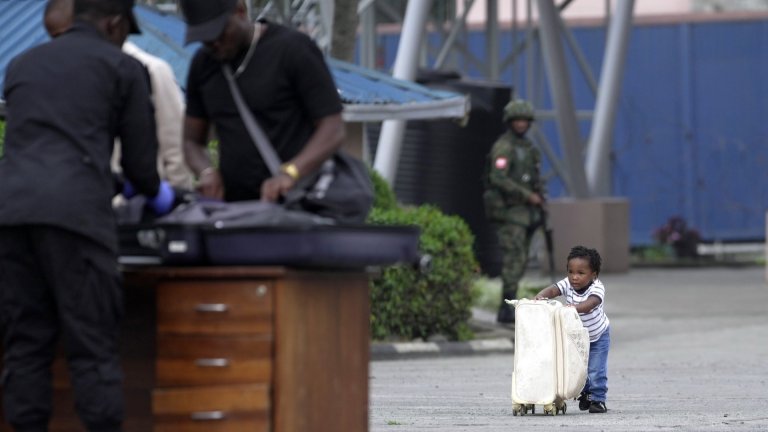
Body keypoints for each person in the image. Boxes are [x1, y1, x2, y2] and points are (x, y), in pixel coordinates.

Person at [0, 0, 174, 429]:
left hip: (11, 217)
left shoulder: (21, 66)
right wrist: (158, 196)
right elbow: (142, 169)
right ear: (114, 24)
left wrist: (111, 179)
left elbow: (42, 148)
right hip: (76, 221)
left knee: (24, 348)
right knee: (92, 351)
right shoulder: (124, 70)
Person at [179, 0, 345, 203]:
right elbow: (191, 141)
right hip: (238, 211)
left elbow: (333, 128)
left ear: (240, 11)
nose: (214, 43)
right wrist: (206, 172)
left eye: (220, 32)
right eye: (204, 38)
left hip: (298, 203)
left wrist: (291, 173)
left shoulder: (293, 49)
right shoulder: (203, 65)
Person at [44, 0, 194, 191]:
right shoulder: (62, 76)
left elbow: (175, 151)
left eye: (67, 34)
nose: (64, 44)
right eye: (54, 38)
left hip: (139, 207)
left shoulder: (152, 70)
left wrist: (176, 203)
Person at [483, 98, 545, 324]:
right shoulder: (504, 147)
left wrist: (538, 199)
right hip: (510, 213)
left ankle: (510, 304)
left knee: (521, 259)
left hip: (527, 213)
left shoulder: (528, 149)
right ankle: (506, 307)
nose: (521, 124)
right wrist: (527, 195)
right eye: (517, 120)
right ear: (510, 122)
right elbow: (497, 178)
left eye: (524, 120)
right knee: (513, 259)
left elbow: (535, 179)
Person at [534, 245, 611, 414]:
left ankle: (598, 399)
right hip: (576, 337)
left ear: (594, 275)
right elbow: (554, 289)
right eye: (571, 272)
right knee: (577, 368)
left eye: (580, 273)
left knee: (596, 369)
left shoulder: (597, 287)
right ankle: (585, 393)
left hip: (598, 336)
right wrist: (540, 297)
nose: (574, 277)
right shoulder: (567, 283)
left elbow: (590, 304)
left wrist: (573, 307)